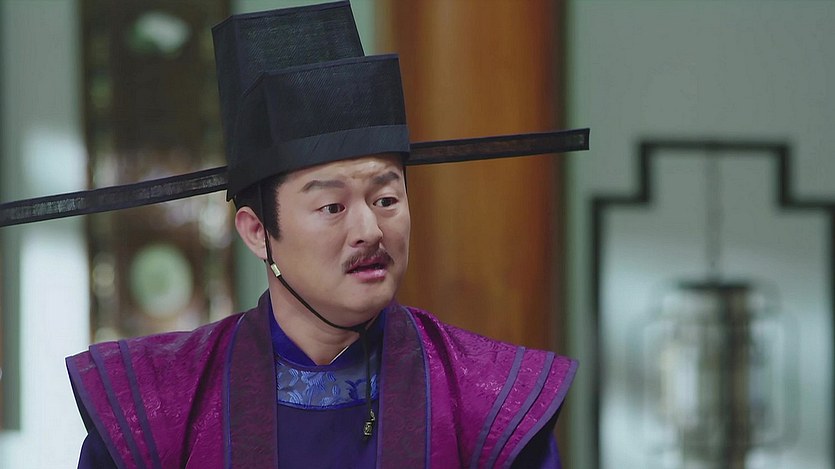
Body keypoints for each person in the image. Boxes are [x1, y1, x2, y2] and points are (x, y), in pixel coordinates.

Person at [66, 2, 579, 468]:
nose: (369, 230)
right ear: (257, 231)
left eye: (386, 199)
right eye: (332, 207)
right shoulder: (157, 408)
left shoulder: (489, 402)